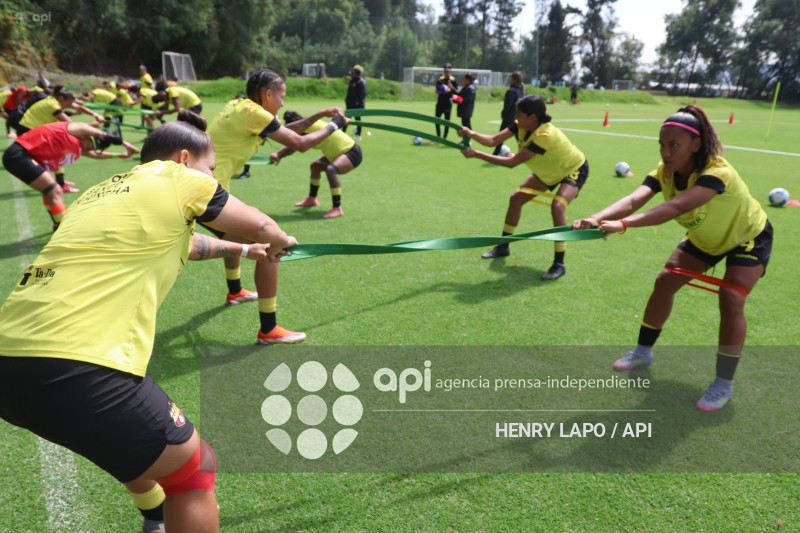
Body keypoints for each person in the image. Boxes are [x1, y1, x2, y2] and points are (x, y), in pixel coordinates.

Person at [0, 117, 297, 533]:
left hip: (9, 362)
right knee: (195, 470)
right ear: (184, 159)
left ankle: (154, 519)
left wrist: (245, 250)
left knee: (132, 447)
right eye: (210, 169)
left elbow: (189, 242)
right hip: (78, 363)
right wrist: (280, 240)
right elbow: (263, 225)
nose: (212, 178)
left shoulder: (101, 193)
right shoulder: (179, 178)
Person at [572, 105, 772, 411]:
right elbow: (634, 199)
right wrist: (596, 218)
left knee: (731, 297)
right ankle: (643, 351)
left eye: (674, 145)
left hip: (747, 236)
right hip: (706, 238)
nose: (666, 153)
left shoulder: (717, 172)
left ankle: (723, 383)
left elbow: (675, 208)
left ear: (696, 144)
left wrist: (622, 225)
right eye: (662, 145)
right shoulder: (665, 172)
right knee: (665, 282)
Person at [205, 68, 348, 343]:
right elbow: (300, 143)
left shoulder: (239, 106)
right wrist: (335, 125)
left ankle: (235, 292)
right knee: (271, 244)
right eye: (281, 96)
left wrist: (319, 115)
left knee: (238, 235)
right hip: (205, 191)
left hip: (200, 186)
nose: (283, 103)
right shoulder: (254, 114)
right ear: (268, 94)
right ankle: (268, 329)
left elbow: (286, 132)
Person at [457, 94, 589, 281]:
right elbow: (493, 140)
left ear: (532, 117)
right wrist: (470, 133)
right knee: (516, 199)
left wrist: (476, 154)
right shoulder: (520, 124)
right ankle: (504, 246)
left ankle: (559, 263)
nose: (515, 117)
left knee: (557, 206)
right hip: (548, 171)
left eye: (519, 113)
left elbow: (512, 163)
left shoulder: (545, 135)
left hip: (572, 169)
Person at [2, 121, 137, 229]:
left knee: (49, 192)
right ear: (87, 136)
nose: (92, 148)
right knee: (55, 191)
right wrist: (120, 141)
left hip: (21, 157)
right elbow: (82, 127)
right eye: (94, 143)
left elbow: (95, 155)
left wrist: (121, 155)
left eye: (97, 147)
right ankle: (63, 231)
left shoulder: (80, 147)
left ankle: (57, 224)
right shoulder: (72, 130)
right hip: (19, 155)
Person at [274, 110, 363, 219]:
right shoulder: (309, 125)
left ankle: (337, 208)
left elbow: (296, 146)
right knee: (315, 166)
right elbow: (295, 145)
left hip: (351, 152)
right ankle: (312, 199)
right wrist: (279, 155)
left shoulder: (308, 129)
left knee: (331, 170)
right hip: (337, 154)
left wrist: (279, 155)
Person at [15, 86, 105, 193]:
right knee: (56, 153)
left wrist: (96, 115)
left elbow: (78, 107)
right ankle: (60, 184)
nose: (68, 107)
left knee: (58, 152)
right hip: (29, 129)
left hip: (31, 128)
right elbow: (71, 126)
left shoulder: (54, 100)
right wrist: (92, 125)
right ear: (61, 98)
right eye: (67, 104)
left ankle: (59, 181)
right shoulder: (53, 105)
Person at [493, 72, 525, 156]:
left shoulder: (511, 91)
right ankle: (526, 153)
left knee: (500, 137)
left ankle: (495, 154)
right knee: (518, 137)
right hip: (519, 117)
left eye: (511, 78)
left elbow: (508, 106)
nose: (510, 80)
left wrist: (503, 114)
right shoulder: (521, 90)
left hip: (509, 117)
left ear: (514, 79)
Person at [434, 63, 458, 139]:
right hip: (440, 102)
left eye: (448, 71)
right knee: (437, 119)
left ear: (451, 71)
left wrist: (450, 90)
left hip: (448, 103)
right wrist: (441, 91)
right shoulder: (440, 79)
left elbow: (456, 91)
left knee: (447, 121)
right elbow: (436, 90)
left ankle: (445, 137)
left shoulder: (453, 80)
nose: (446, 72)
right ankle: (438, 136)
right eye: (445, 71)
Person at [344, 65, 367, 140]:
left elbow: (363, 94)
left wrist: (357, 102)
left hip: (357, 105)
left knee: (357, 119)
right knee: (346, 118)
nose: (351, 73)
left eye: (353, 72)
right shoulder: (352, 81)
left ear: (356, 73)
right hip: (350, 105)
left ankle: (358, 135)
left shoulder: (361, 81)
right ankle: (342, 133)